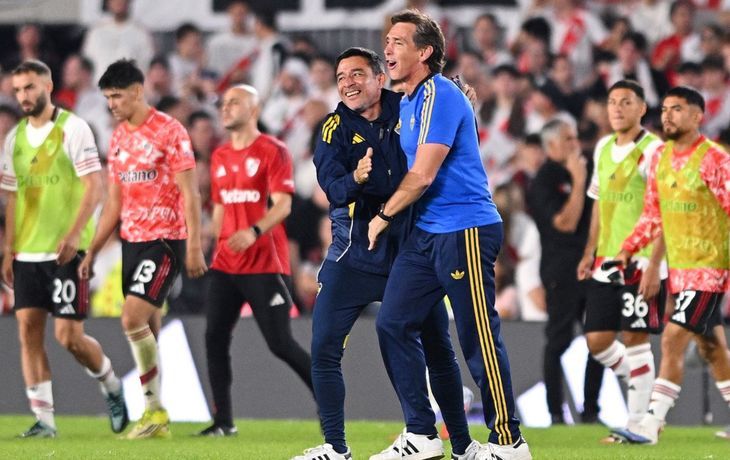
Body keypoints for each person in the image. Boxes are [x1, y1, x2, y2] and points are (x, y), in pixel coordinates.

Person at [292, 47, 471, 460]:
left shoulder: (410, 109)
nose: (348, 83)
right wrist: (356, 178)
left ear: (378, 77)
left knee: (438, 348)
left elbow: (438, 150)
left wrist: (462, 105)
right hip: (353, 257)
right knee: (324, 348)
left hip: (411, 255)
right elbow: (332, 189)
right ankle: (335, 447)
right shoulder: (333, 128)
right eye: (341, 77)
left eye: (357, 74)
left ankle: (461, 446)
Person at [369, 10, 532, 460]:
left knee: (477, 337)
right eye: (387, 41)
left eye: (398, 42)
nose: (387, 49)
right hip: (427, 233)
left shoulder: (439, 94)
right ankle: (422, 434)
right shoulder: (408, 101)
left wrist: (382, 216)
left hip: (465, 229)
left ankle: (509, 441)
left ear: (425, 52)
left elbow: (423, 175)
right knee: (392, 323)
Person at [79, 59, 207, 439]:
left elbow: (190, 193)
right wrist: (93, 250)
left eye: (117, 96)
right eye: (107, 98)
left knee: (131, 318)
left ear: (137, 91)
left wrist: (195, 245)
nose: (111, 104)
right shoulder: (119, 137)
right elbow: (114, 202)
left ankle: (154, 409)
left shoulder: (170, 131)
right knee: (147, 326)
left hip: (165, 240)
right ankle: (155, 416)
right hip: (132, 242)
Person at [0, 59, 127, 438]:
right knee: (28, 332)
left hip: (67, 253)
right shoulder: (14, 139)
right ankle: (45, 421)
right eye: (18, 90)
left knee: (68, 336)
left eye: (30, 87)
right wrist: (8, 249)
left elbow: (95, 187)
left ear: (48, 86)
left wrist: (73, 236)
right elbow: (13, 197)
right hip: (28, 252)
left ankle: (110, 383)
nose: (24, 96)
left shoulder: (73, 128)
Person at [612, 86, 730, 444]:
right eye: (664, 109)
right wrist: (629, 248)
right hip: (680, 270)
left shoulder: (715, 159)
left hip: (710, 268)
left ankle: (650, 425)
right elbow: (653, 213)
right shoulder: (660, 157)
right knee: (711, 347)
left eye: (676, 109)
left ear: (697, 116)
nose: (667, 116)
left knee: (673, 337)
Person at [198, 83, 313, 436]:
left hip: (264, 263)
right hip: (226, 264)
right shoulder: (219, 155)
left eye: (234, 102)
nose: (225, 108)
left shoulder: (273, 151)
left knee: (280, 343)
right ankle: (223, 422)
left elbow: (283, 205)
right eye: (223, 103)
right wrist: (208, 242)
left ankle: (330, 401)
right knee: (214, 338)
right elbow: (221, 208)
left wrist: (254, 231)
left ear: (254, 109)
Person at [575, 80, 666, 441]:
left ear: (642, 108)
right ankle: (648, 391)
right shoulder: (603, 147)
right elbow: (599, 203)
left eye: (626, 102)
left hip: (641, 260)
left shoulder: (654, 150)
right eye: (612, 102)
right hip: (607, 260)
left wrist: (656, 265)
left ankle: (637, 424)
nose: (616, 108)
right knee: (596, 341)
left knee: (635, 339)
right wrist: (589, 251)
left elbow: (663, 211)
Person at [526, 119, 604, 426]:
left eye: (575, 137)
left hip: (593, 267)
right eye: (568, 139)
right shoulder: (544, 181)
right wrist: (579, 181)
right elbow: (566, 224)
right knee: (558, 341)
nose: (575, 144)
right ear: (551, 146)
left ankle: (591, 410)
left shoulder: (590, 168)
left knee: (598, 338)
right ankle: (556, 413)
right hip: (561, 271)